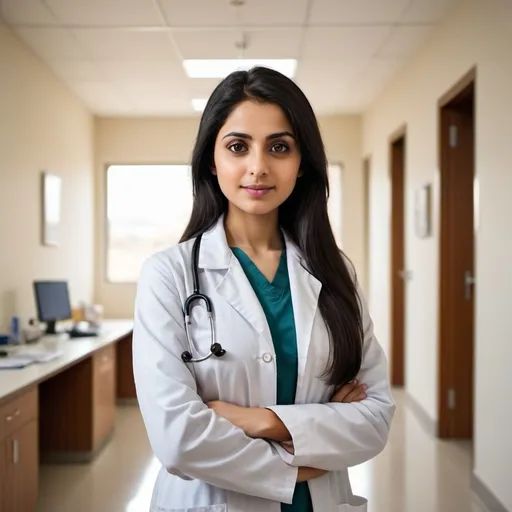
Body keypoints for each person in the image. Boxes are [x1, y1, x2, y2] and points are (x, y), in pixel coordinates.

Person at [132, 66, 395, 512]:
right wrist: (309, 452)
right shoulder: (168, 275)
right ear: (212, 162)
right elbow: (178, 439)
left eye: (279, 146)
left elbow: (373, 419)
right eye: (238, 147)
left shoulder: (334, 272)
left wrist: (257, 421)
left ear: (302, 163)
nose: (258, 167)